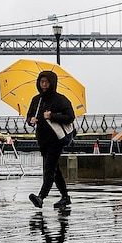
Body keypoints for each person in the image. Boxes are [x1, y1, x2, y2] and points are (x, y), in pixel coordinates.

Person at [26, 69, 76, 209]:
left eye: (46, 82)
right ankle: (65, 197)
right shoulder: (37, 99)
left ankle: (41, 197)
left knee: (48, 168)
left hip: (56, 139)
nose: (44, 84)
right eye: (41, 82)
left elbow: (70, 117)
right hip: (42, 139)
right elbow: (29, 116)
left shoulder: (61, 99)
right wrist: (31, 120)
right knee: (55, 169)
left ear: (52, 83)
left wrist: (52, 115)